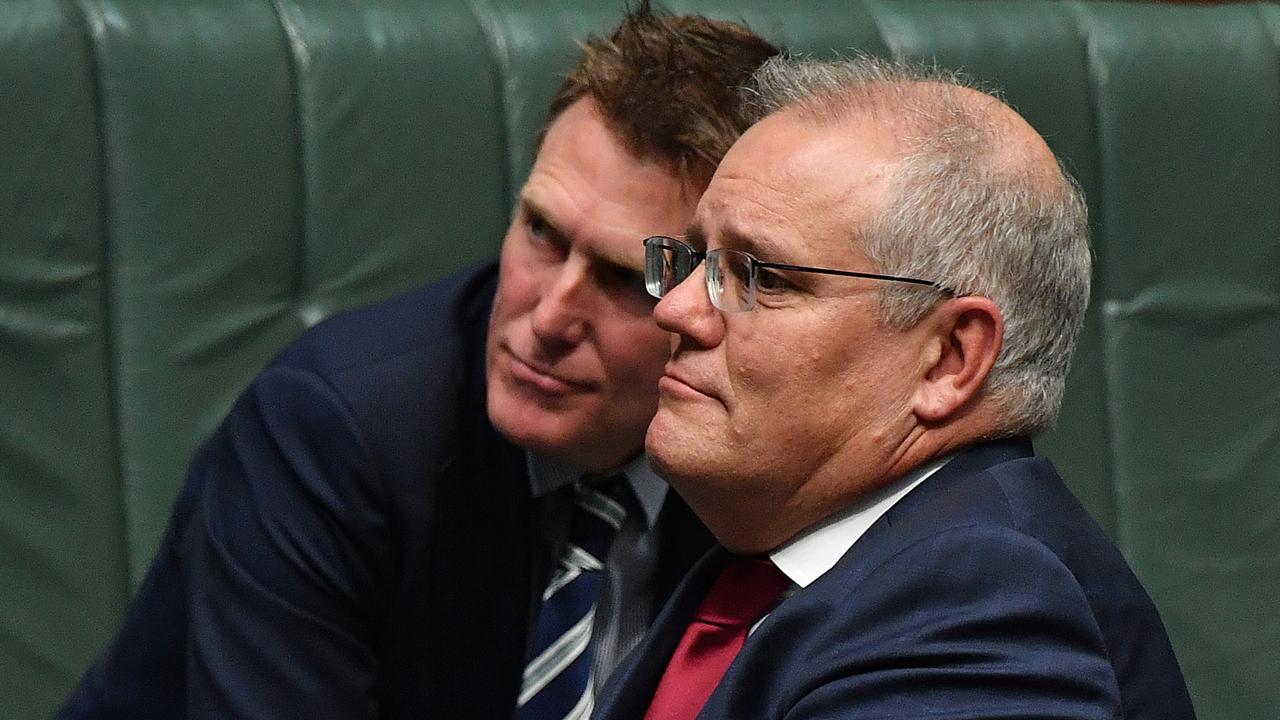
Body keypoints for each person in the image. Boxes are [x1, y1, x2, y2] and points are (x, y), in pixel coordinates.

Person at [57, 6, 777, 719]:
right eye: (542, 232)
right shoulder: (330, 430)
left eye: (624, 277)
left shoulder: (765, 445)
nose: (550, 316)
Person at [593, 55, 1197, 720]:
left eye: (760, 277)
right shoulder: (765, 559)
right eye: (694, 260)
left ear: (949, 360)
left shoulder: (987, 606)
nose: (674, 310)